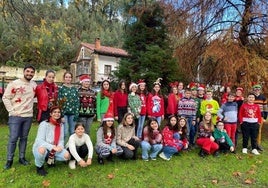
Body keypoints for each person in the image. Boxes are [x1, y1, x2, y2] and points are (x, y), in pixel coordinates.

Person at [2, 65, 37, 169]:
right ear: (24, 71)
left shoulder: (34, 85)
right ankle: (9, 160)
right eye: (28, 71)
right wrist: (12, 111)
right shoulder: (14, 84)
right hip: (15, 116)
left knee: (24, 138)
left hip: (28, 116)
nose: (29, 74)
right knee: (13, 138)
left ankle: (22, 158)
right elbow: (5, 97)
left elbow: (34, 98)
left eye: (32, 72)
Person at [32, 106, 70, 176]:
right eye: (54, 112)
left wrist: (60, 146)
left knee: (66, 156)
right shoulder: (44, 124)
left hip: (54, 147)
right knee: (42, 150)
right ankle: (39, 167)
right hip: (41, 146)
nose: (57, 114)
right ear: (50, 114)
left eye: (59, 112)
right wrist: (53, 147)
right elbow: (40, 140)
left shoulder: (60, 125)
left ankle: (49, 159)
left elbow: (61, 139)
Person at [58, 72, 80, 142]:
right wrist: (61, 115)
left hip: (73, 114)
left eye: (69, 77)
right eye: (66, 77)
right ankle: (62, 149)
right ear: (64, 78)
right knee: (64, 132)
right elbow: (59, 102)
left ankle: (71, 149)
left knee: (72, 132)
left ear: (71, 79)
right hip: (64, 114)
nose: (68, 78)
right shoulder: (61, 89)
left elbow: (77, 101)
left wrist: (76, 114)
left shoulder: (75, 89)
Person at [252, 84, 267, 151]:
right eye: (255, 89)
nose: (257, 90)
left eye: (258, 89)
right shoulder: (251, 97)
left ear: (260, 90)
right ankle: (253, 144)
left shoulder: (263, 97)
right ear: (253, 90)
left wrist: (264, 117)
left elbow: (265, 108)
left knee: (259, 130)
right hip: (251, 116)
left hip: (260, 116)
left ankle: (258, 144)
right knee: (252, 130)